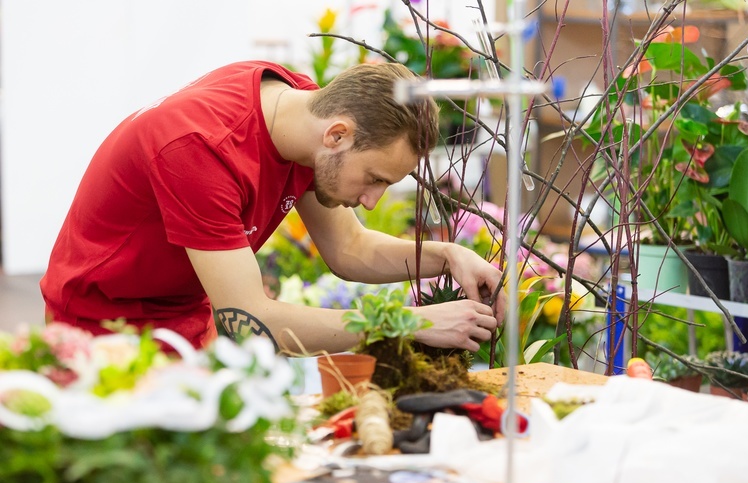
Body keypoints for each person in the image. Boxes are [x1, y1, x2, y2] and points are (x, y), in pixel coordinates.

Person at [40, 60, 506, 354]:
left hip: (187, 318)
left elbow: (350, 247)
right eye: (375, 179)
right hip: (105, 330)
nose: (371, 200)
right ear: (337, 134)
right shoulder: (200, 150)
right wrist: (406, 322)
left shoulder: (299, 112)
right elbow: (250, 320)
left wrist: (447, 257)